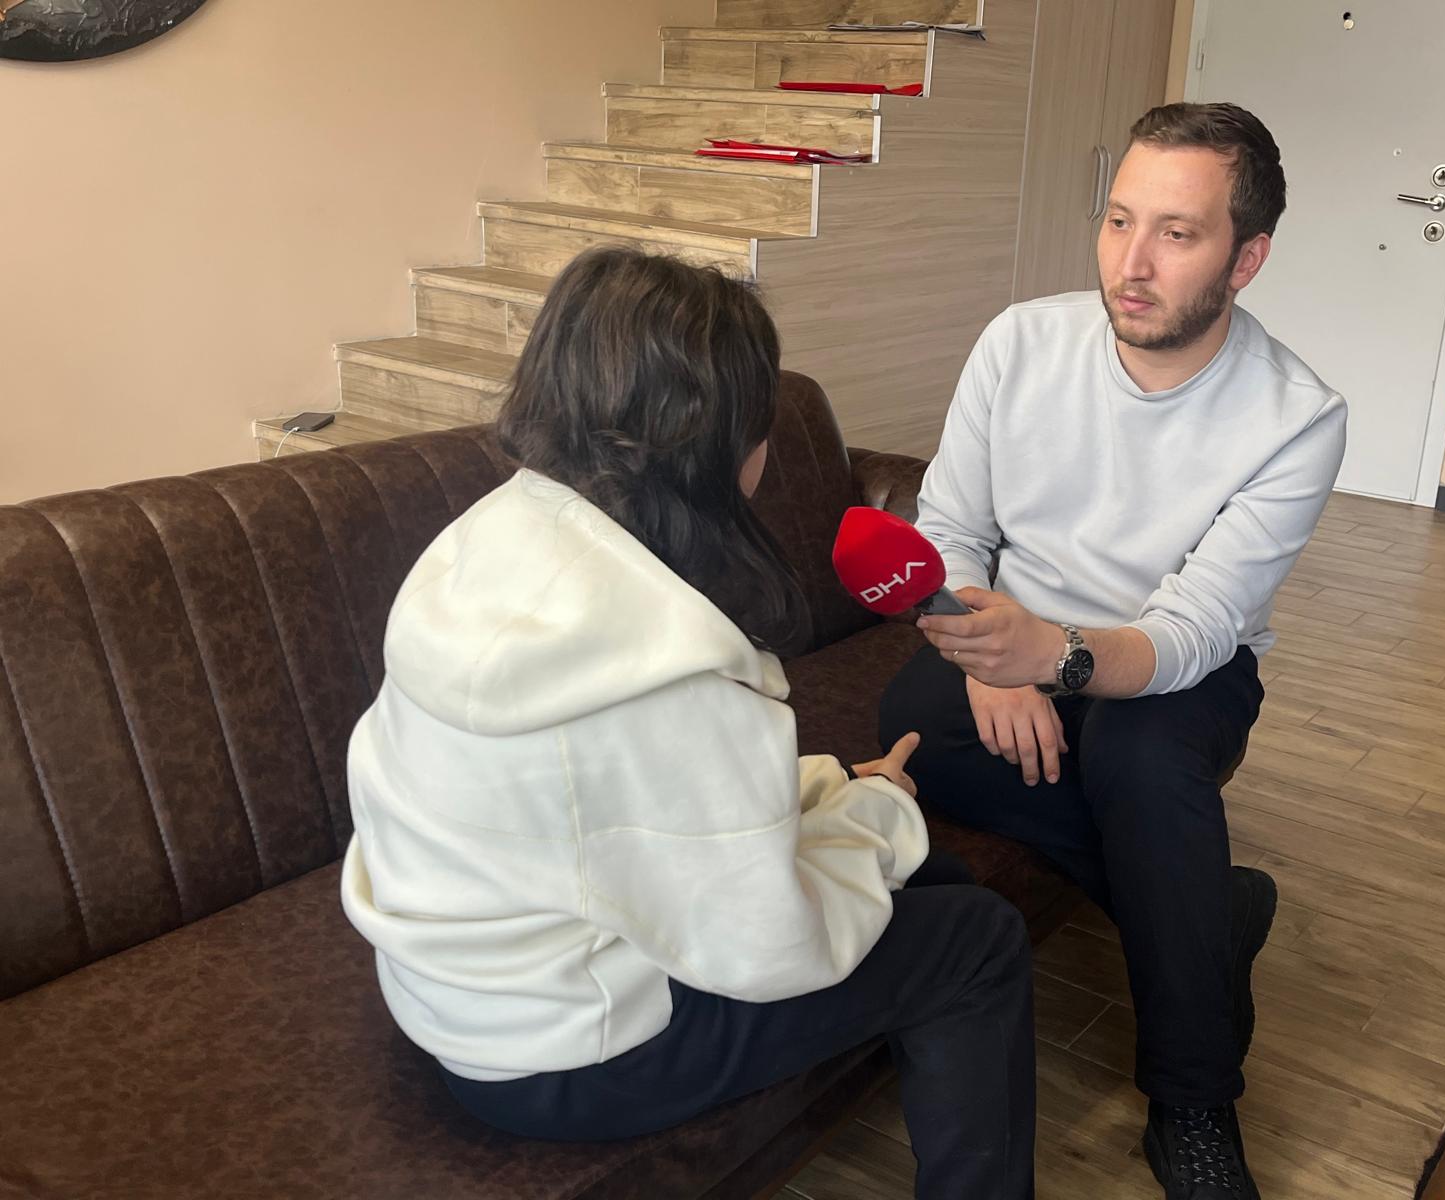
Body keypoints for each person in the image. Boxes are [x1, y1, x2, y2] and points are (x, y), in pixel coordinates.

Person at [340, 247, 1037, 1199]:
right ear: (722, 444)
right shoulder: (665, 665)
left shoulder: (481, 541)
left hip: (453, 992)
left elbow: (608, 817)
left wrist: (841, 794)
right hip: (571, 1055)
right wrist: (876, 813)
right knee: (976, 939)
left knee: (924, 873)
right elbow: (767, 949)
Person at [879, 102, 1347, 1200]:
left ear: (1246, 259)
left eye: (1176, 234)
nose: (1130, 265)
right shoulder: (1019, 343)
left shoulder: (1297, 416)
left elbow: (1191, 630)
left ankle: (1194, 1102)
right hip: (1009, 633)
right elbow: (948, 531)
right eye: (1118, 220)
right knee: (912, 727)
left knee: (1140, 761)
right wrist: (987, 653)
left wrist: (1047, 658)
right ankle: (1207, 913)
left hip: (1172, 667)